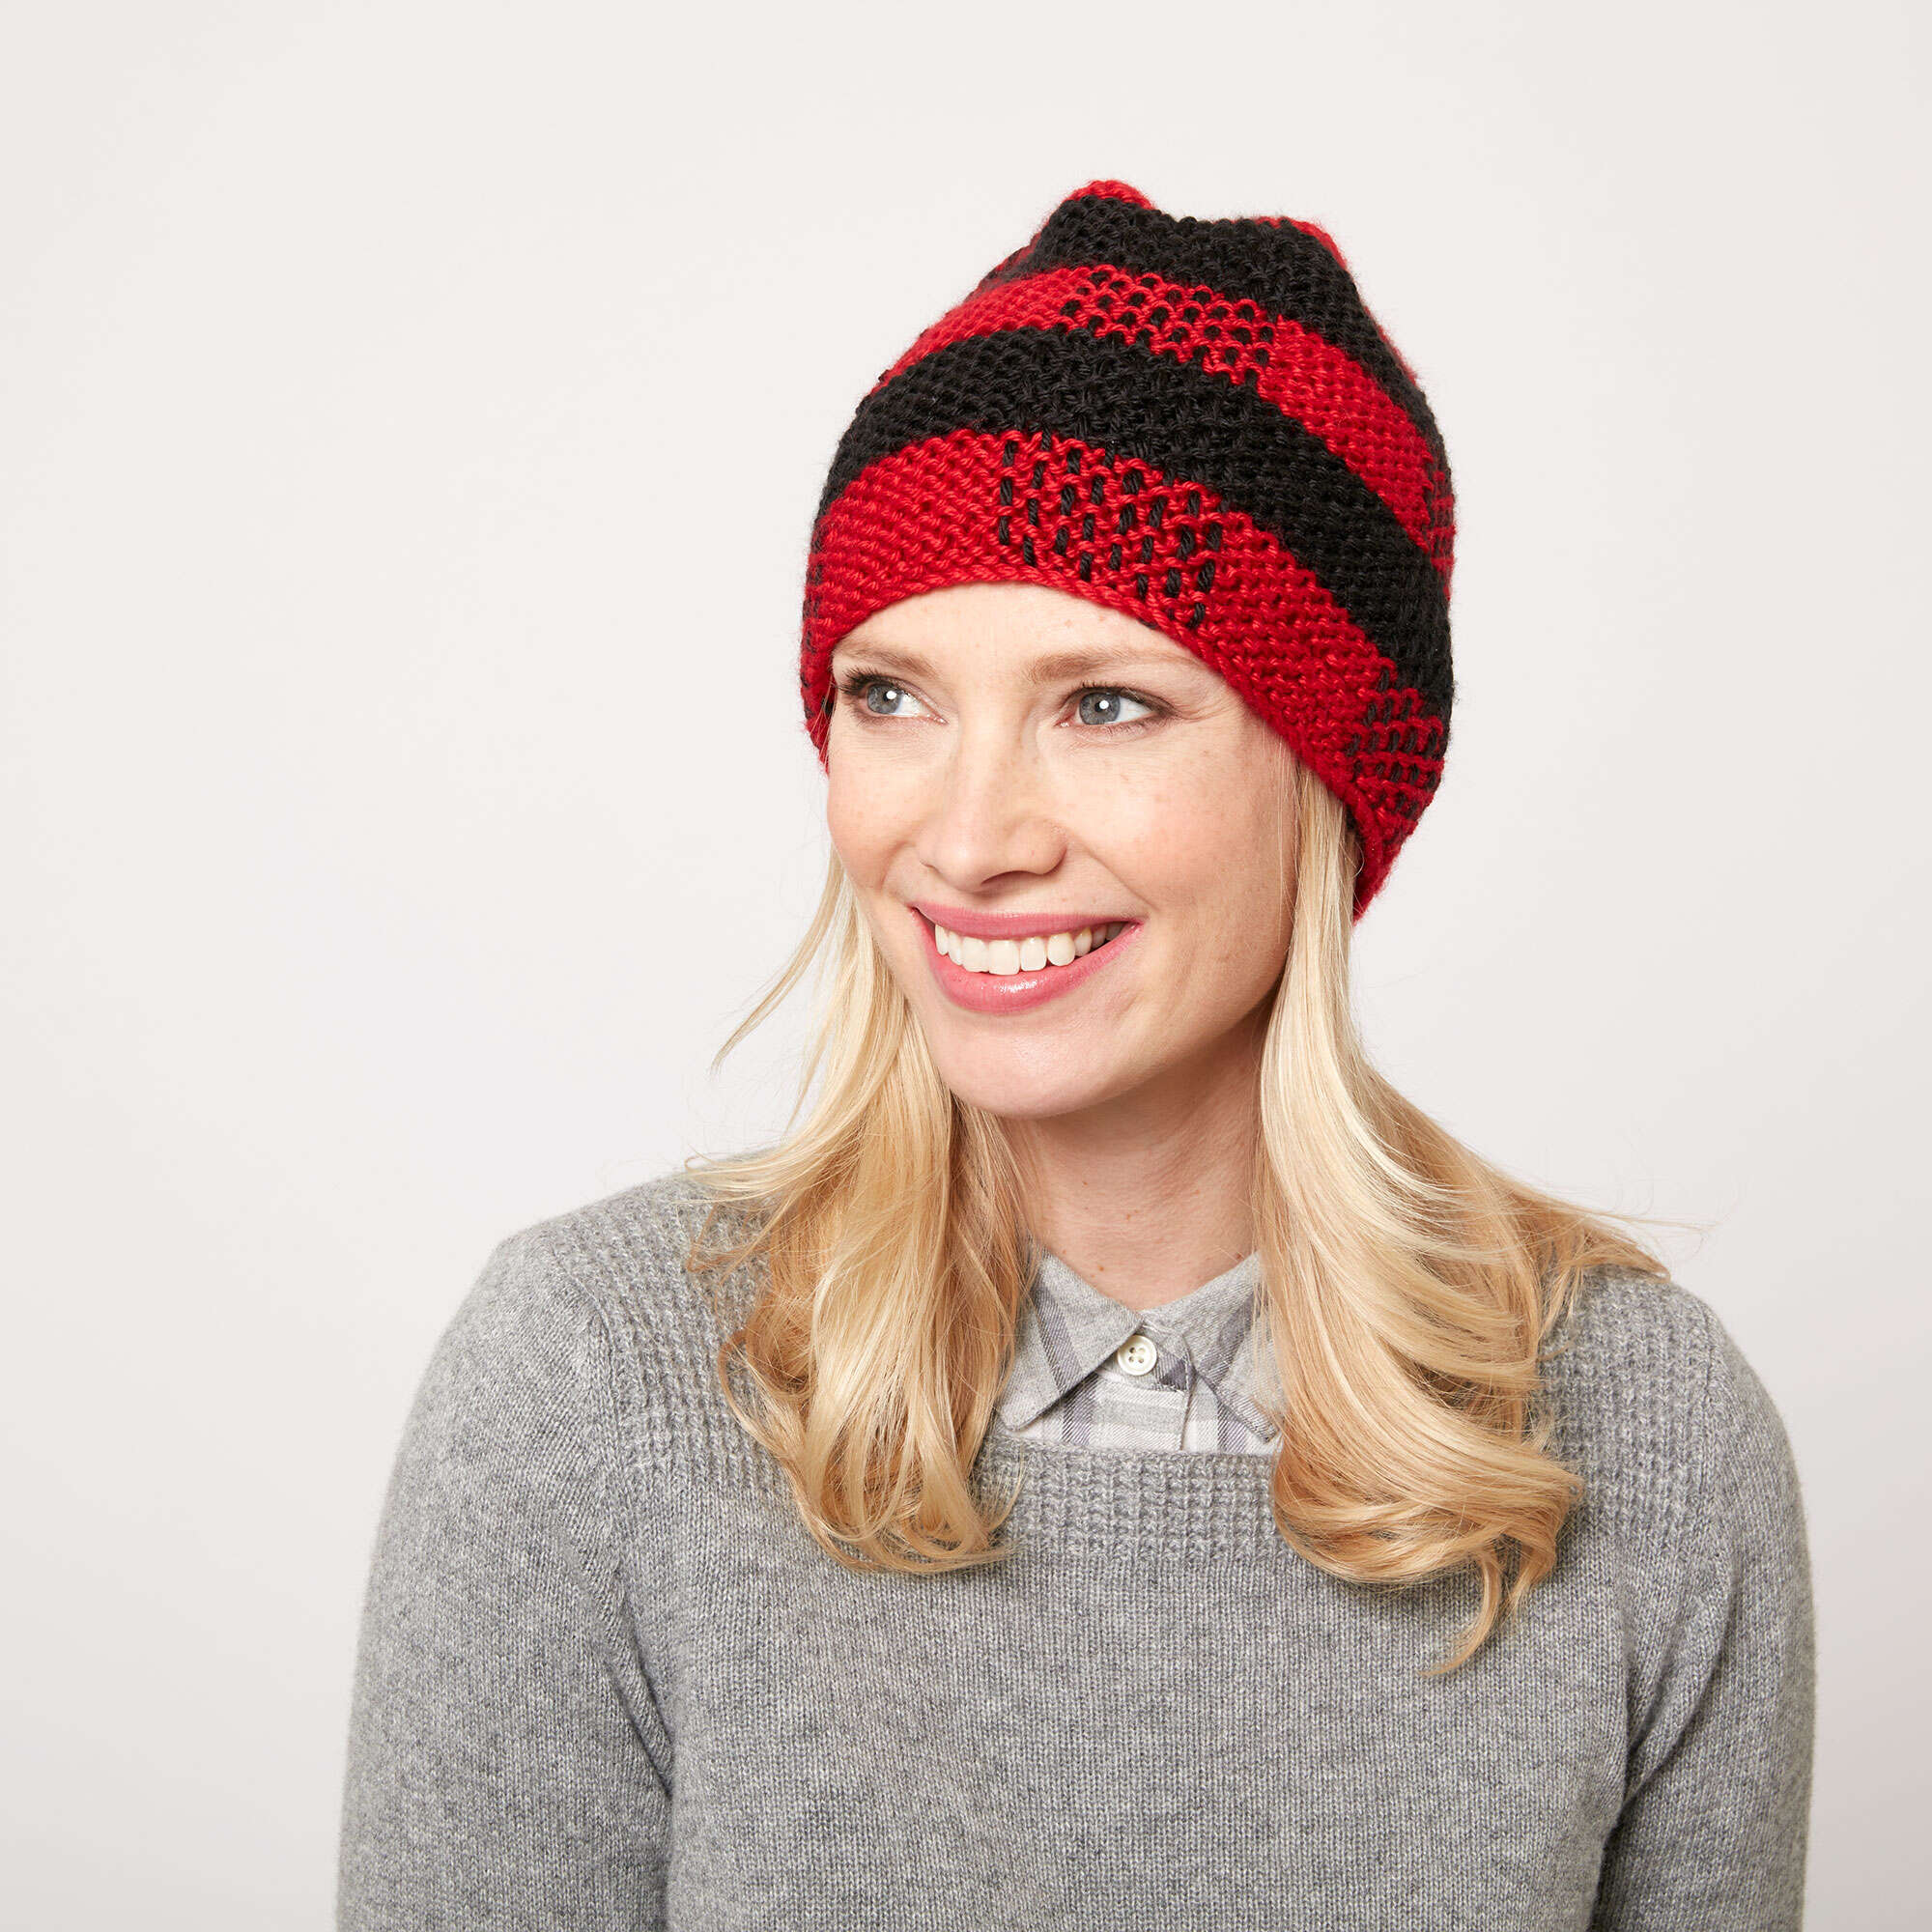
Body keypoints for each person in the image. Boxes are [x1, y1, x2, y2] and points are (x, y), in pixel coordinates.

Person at [336, 181, 1814, 1929]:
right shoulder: (592, 1389)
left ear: (1333, 782)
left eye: (1106, 704)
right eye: (892, 696)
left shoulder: (1642, 1435)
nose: (969, 840)